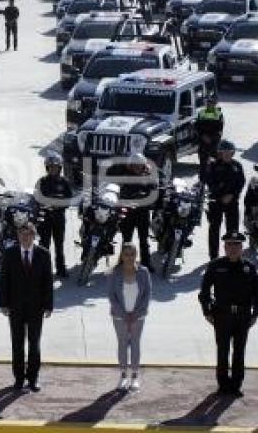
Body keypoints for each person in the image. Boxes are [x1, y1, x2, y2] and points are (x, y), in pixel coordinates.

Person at [198, 232, 258, 398]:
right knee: (223, 350)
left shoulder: (249, 267)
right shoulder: (216, 266)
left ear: (242, 248)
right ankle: (223, 385)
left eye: (237, 245)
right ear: (224, 247)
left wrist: (255, 313)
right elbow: (204, 291)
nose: (233, 248)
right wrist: (207, 311)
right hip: (222, 315)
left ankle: (236, 385)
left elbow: (257, 293)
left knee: (239, 351)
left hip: (242, 315)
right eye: (230, 245)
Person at [0, 222, 53, 392]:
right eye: (22, 234)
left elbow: (48, 282)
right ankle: (19, 378)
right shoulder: (9, 254)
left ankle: (33, 378)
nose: (25, 237)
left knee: (34, 343)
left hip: (36, 307)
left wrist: (48, 305)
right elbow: (3, 280)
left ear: (34, 235)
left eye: (29, 234)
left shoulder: (43, 254)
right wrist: (4, 304)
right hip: (15, 307)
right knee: (17, 343)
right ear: (18, 236)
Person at [107, 244, 151, 392]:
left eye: (132, 254)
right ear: (121, 255)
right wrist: (123, 314)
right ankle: (123, 375)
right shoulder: (115, 273)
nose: (129, 257)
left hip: (138, 316)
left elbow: (147, 295)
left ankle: (134, 376)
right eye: (126, 254)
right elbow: (112, 296)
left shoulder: (144, 272)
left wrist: (136, 313)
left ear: (136, 255)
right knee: (122, 344)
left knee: (135, 343)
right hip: (120, 316)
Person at [35, 153, 73, 279]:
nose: (53, 169)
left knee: (59, 244)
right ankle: (43, 270)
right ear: (47, 168)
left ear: (60, 168)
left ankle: (61, 269)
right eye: (50, 167)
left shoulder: (64, 182)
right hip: (44, 218)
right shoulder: (42, 181)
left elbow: (69, 199)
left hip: (59, 218)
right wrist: (43, 204)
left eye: (55, 167)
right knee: (44, 244)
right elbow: (36, 198)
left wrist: (59, 204)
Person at [207, 140, 245, 261]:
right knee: (214, 230)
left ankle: (232, 256)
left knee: (233, 232)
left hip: (232, 203)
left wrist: (232, 195)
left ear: (233, 153)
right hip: (216, 202)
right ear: (220, 153)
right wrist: (219, 195)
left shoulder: (237, 166)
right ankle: (213, 257)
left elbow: (241, 183)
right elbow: (210, 183)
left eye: (229, 152)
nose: (227, 155)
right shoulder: (213, 165)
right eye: (224, 152)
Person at [119, 154, 157, 269]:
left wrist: (147, 196)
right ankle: (123, 262)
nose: (137, 168)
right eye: (135, 165)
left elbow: (154, 192)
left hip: (142, 213)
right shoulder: (125, 177)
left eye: (139, 166)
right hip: (128, 213)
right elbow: (119, 193)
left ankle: (146, 262)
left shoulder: (148, 177)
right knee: (126, 239)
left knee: (143, 239)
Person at [196, 95, 224, 184]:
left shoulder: (219, 114)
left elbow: (220, 130)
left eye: (212, 102)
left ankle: (215, 182)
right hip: (203, 143)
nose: (210, 104)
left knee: (216, 165)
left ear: (215, 104)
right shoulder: (201, 113)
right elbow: (198, 127)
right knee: (203, 165)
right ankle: (201, 184)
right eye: (208, 102)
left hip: (214, 144)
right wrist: (203, 136)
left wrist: (212, 139)